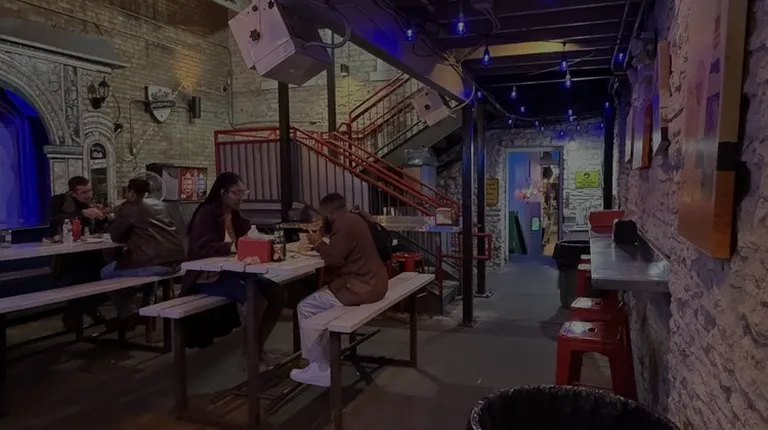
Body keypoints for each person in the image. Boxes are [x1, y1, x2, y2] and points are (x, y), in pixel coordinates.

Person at [180, 172, 286, 367]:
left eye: (244, 192)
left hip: (232, 271)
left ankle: (257, 348)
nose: (242, 197)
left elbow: (245, 243)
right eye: (237, 192)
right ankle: (248, 353)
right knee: (255, 297)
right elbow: (201, 247)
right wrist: (232, 247)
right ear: (223, 193)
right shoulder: (206, 214)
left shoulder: (236, 217)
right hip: (207, 276)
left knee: (278, 293)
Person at [290, 193, 389, 387]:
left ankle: (319, 368)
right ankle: (325, 362)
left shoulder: (343, 224)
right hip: (374, 282)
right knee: (321, 305)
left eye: (323, 215)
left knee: (305, 307)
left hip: (362, 287)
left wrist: (317, 243)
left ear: (330, 213)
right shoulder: (354, 219)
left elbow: (334, 259)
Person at [101, 178, 186, 329]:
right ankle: (146, 307)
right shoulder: (161, 204)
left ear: (131, 192)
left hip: (157, 264)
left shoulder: (130, 207)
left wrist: (118, 213)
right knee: (143, 265)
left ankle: (126, 315)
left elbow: (116, 236)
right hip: (176, 262)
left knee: (106, 273)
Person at [48, 176, 110, 331]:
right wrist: (83, 214)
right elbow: (57, 220)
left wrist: (102, 216)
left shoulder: (89, 203)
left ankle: (83, 310)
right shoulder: (59, 201)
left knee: (101, 276)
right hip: (68, 255)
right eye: (84, 192)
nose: (88, 195)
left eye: (89, 190)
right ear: (73, 193)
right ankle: (75, 316)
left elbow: (96, 228)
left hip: (90, 252)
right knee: (79, 278)